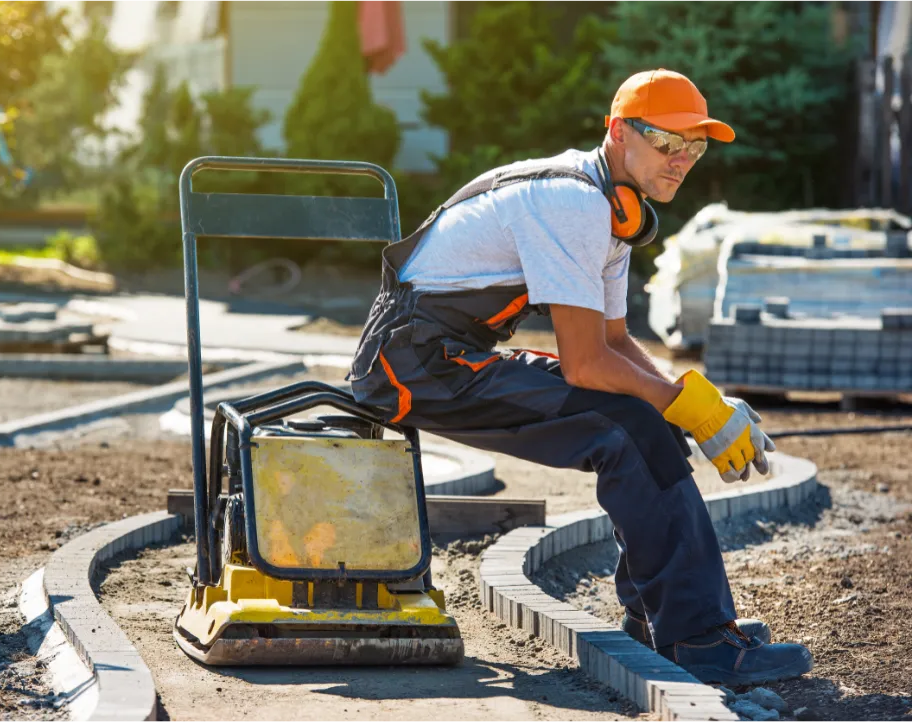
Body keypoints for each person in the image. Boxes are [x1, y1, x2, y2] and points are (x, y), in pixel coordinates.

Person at [347, 68, 813, 685]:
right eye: (668, 142)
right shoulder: (572, 201)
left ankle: (660, 615)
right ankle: (698, 639)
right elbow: (586, 364)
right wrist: (686, 409)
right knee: (622, 428)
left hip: (445, 355)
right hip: (410, 365)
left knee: (643, 418)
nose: (682, 160)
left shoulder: (615, 210)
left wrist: (698, 403)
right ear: (620, 132)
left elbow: (616, 343)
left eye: (694, 148)